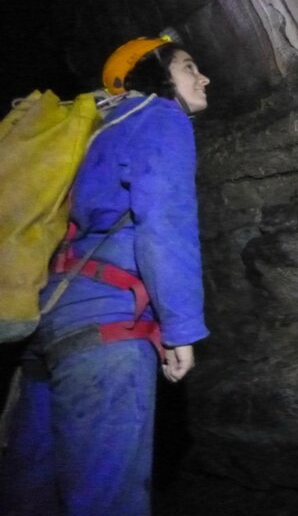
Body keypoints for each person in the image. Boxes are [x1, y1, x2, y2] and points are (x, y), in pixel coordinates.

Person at [0, 35, 210, 516]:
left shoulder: (95, 127)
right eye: (188, 66)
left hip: (48, 318)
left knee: (31, 492)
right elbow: (165, 223)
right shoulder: (159, 116)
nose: (204, 77)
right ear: (153, 75)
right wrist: (181, 330)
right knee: (106, 498)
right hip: (107, 326)